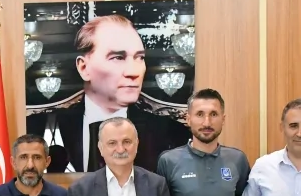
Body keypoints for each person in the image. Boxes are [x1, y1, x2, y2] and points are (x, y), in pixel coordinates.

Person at [26, 15, 189, 173]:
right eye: (118, 57)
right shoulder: (43, 125)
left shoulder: (169, 131)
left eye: (139, 58)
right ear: (84, 68)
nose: (134, 72)